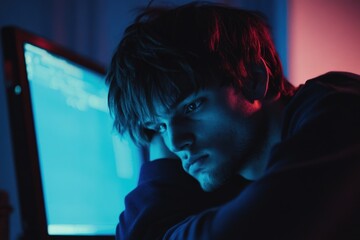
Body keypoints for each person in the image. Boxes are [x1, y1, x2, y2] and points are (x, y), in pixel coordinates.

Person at [106, 2, 360, 239]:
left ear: (253, 80)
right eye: (159, 126)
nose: (176, 141)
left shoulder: (339, 106)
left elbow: (255, 226)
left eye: (192, 106)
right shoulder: (225, 179)